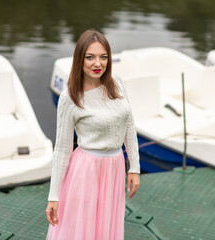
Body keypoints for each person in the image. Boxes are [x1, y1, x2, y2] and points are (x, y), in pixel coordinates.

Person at [45, 29, 140, 240]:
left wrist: (134, 166)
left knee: (106, 229)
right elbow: (62, 150)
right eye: (90, 57)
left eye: (103, 57)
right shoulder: (70, 98)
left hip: (115, 167)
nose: (98, 63)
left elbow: (129, 125)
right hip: (86, 170)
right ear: (80, 59)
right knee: (82, 230)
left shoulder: (116, 82)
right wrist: (53, 197)